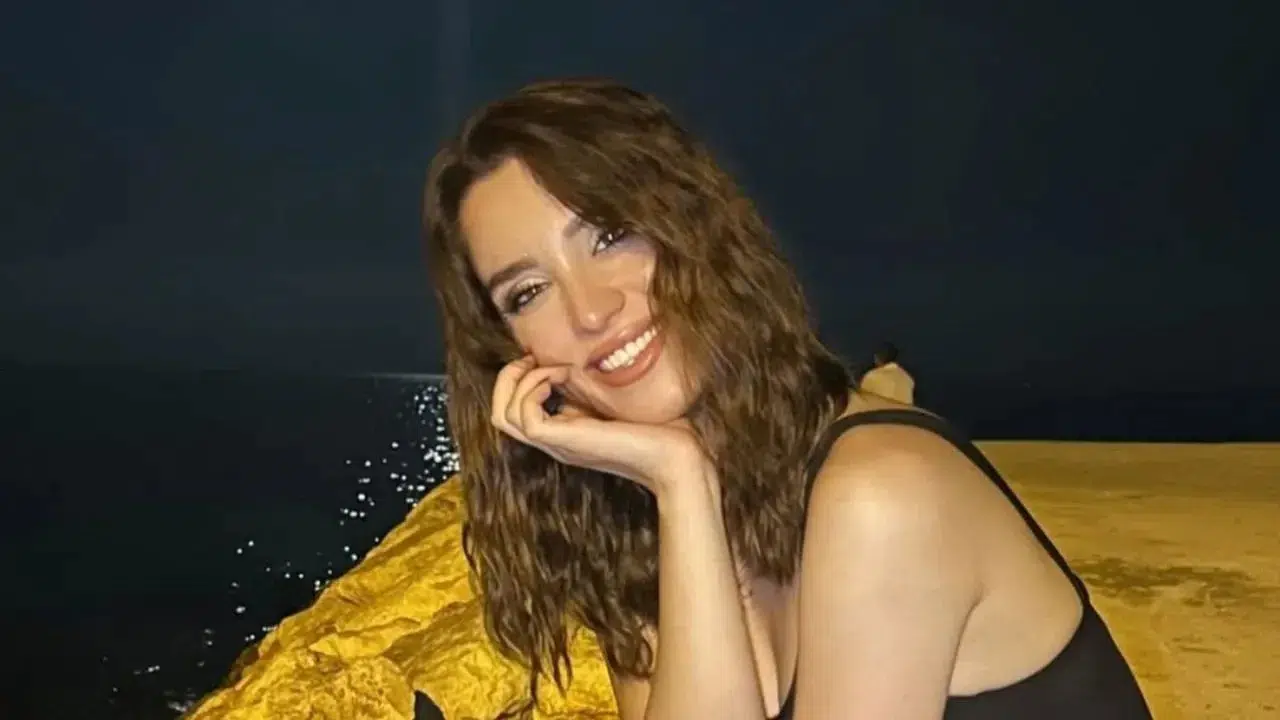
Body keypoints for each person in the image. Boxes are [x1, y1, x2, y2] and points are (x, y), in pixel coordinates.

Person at [423, 79, 1151, 720]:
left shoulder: (883, 498)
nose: (589, 310)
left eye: (610, 236)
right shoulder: (646, 513)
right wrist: (680, 480)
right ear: (509, 349)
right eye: (529, 292)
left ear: (693, 225)